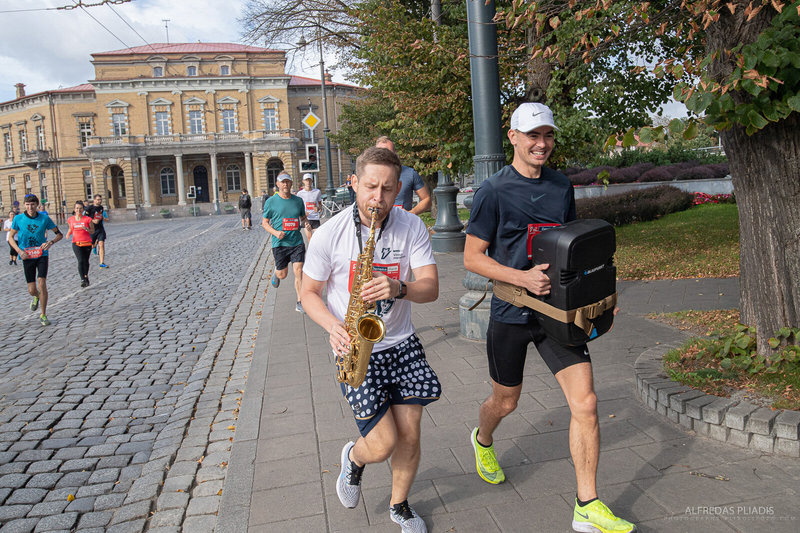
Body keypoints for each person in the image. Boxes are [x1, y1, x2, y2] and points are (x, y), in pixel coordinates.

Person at [463, 103, 633, 533]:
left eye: (548, 136)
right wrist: (520, 276)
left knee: (587, 404)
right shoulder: (493, 191)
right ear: (514, 137)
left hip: (558, 313)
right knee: (506, 401)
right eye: (533, 136)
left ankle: (587, 504)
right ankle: (482, 440)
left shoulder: (560, 186)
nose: (542, 144)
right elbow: (472, 258)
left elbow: (571, 246)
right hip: (511, 311)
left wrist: (594, 293)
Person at [301, 147, 440, 533]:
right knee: (382, 444)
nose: (377, 198)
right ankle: (355, 460)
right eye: (370, 187)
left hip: (402, 344)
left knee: (409, 436)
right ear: (354, 184)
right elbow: (309, 293)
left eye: (387, 189)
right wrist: (333, 327)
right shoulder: (331, 234)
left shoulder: (411, 227)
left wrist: (399, 286)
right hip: (356, 348)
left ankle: (400, 506)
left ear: (399, 190)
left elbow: (430, 289)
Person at [9, 194, 63, 326]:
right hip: (26, 256)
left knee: (42, 283)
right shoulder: (18, 218)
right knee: (32, 289)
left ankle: (43, 314)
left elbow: (59, 234)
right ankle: (36, 296)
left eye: (32, 204)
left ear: (37, 205)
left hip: (41, 254)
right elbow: (10, 237)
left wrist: (50, 242)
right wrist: (19, 251)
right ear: (24, 205)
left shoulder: (44, 218)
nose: (30, 207)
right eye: (27, 204)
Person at [262, 173, 310, 314]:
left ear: (291, 183)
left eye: (288, 182)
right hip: (280, 243)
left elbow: (302, 217)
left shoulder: (298, 200)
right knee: (283, 274)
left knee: (299, 271)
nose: (285, 185)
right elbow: (264, 223)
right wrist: (276, 233)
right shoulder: (271, 201)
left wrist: (306, 224)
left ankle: (300, 301)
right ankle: (277, 274)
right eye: (283, 182)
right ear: (277, 184)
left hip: (296, 242)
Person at [374, 136, 431, 215]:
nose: (385, 155)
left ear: (395, 153)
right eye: (381, 152)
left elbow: (427, 199)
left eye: (389, 152)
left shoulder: (410, 173)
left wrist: (411, 213)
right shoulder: (369, 175)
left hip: (403, 224)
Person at [65, 200, 95, 288]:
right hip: (76, 243)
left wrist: (87, 229)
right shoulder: (70, 219)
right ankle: (82, 279)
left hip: (87, 243)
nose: (79, 210)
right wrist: (68, 234)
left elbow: (92, 231)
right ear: (74, 209)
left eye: (80, 208)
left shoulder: (88, 219)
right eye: (77, 208)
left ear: (83, 210)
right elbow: (71, 228)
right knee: (80, 260)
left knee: (86, 261)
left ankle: (86, 276)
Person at [296, 173, 322, 239]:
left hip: (315, 218)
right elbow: (297, 207)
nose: (308, 182)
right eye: (306, 180)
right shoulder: (300, 193)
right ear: (303, 181)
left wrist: (318, 208)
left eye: (309, 180)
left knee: (317, 238)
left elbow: (320, 206)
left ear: (312, 181)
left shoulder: (317, 192)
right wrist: (302, 214)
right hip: (306, 219)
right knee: (310, 239)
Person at [86, 194, 109, 268]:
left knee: (101, 244)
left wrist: (103, 218)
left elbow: (104, 218)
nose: (100, 201)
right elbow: (85, 218)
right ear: (94, 200)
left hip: (100, 229)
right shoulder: (90, 208)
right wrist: (92, 221)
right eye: (98, 199)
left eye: (100, 200)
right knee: (91, 246)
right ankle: (85, 260)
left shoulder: (101, 208)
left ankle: (101, 262)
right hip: (92, 229)